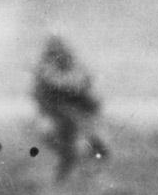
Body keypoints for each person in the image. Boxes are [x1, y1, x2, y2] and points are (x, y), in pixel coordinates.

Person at [31, 35, 110, 181]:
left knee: (96, 144)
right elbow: (44, 93)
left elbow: (84, 87)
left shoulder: (74, 68)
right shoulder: (45, 70)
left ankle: (85, 168)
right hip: (56, 114)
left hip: (77, 112)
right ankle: (69, 168)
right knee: (60, 143)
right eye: (54, 54)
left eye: (60, 53)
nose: (58, 57)